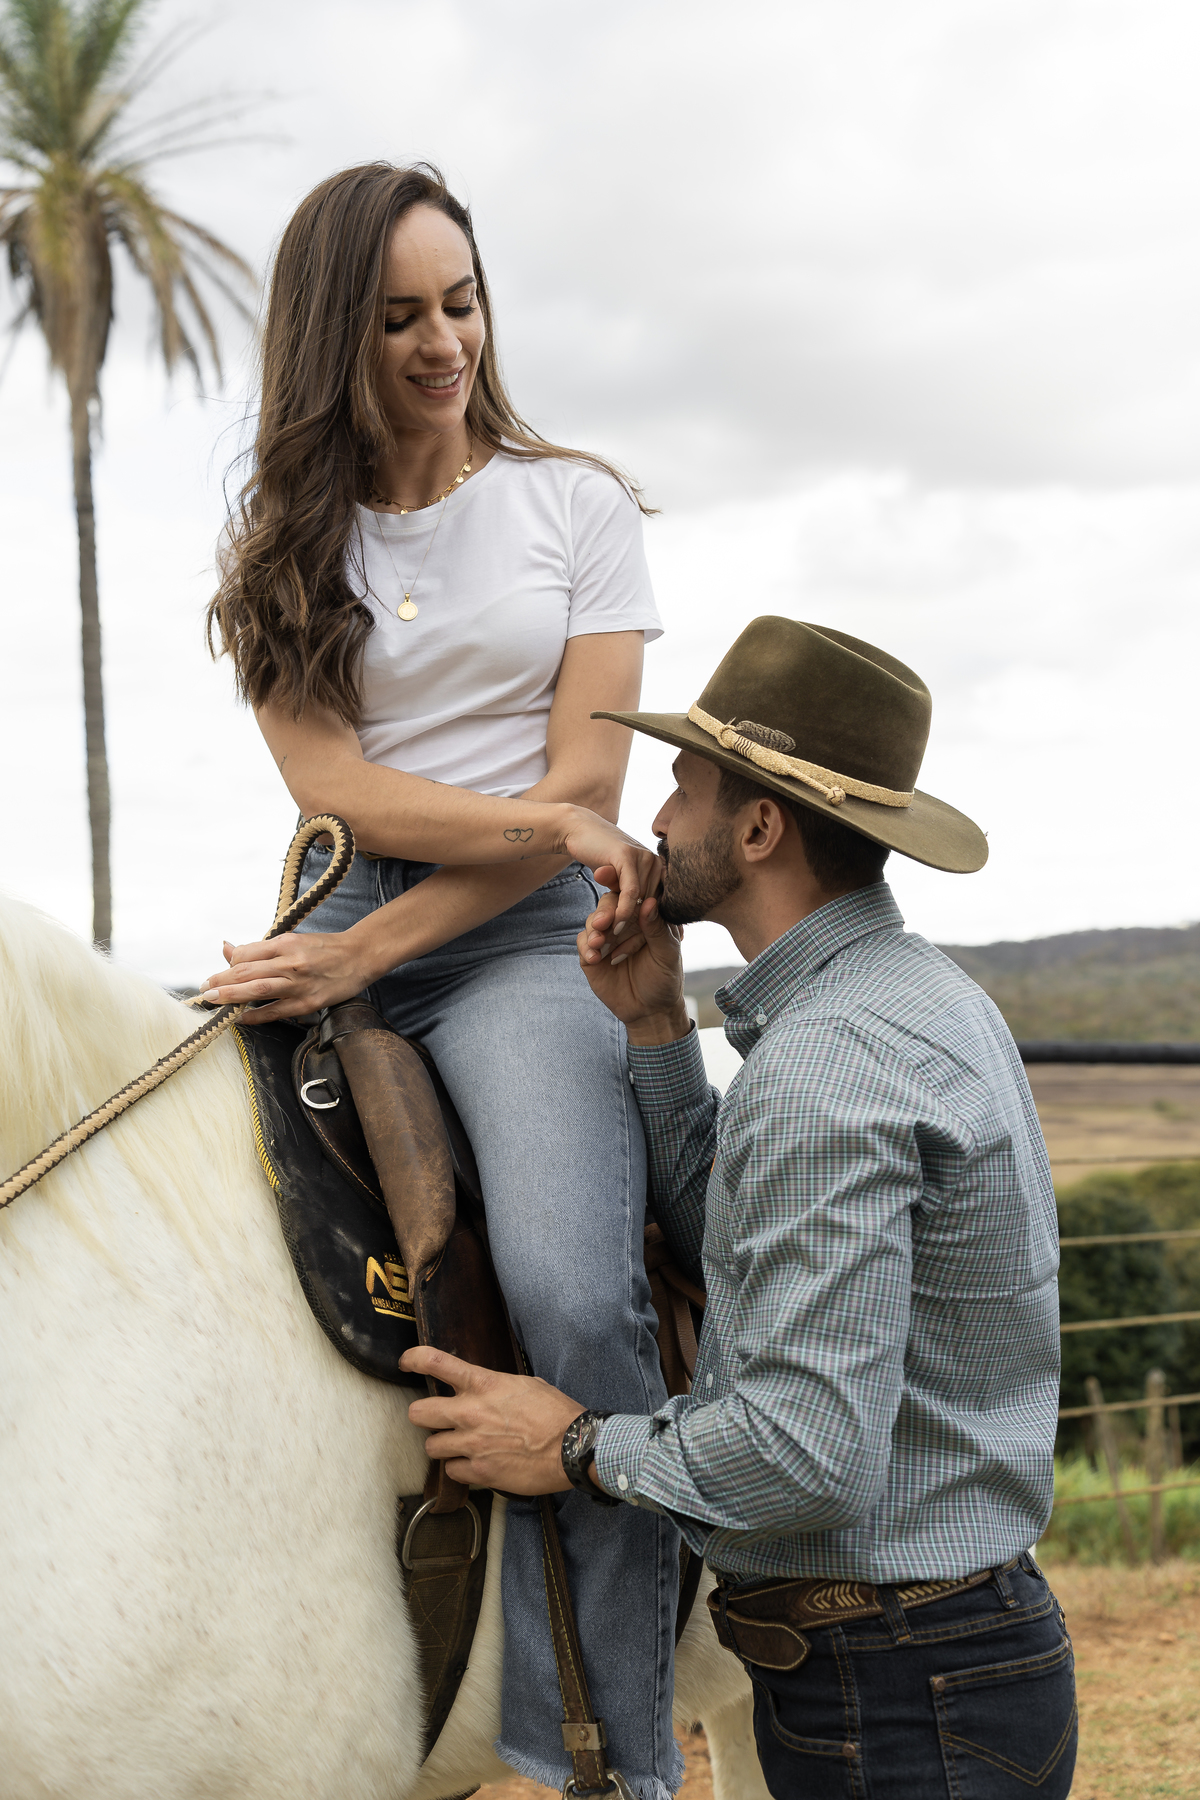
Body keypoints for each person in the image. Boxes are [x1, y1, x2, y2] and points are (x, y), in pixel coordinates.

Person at [401, 616, 1077, 1800]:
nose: (655, 820)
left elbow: (805, 1453)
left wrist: (569, 1444)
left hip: (892, 1701)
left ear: (759, 828)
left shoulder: (826, 1067)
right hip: (941, 1669)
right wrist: (661, 1026)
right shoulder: (916, 1001)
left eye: (683, 786)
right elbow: (753, 1245)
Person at [204, 162, 683, 1800]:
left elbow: (587, 808)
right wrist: (366, 920)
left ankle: (591, 1751)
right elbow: (333, 784)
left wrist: (388, 939)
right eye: (401, 315)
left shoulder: (577, 509)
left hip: (519, 941)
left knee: (570, 1291)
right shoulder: (286, 541)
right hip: (344, 900)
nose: (442, 344)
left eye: (462, 303)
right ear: (334, 335)